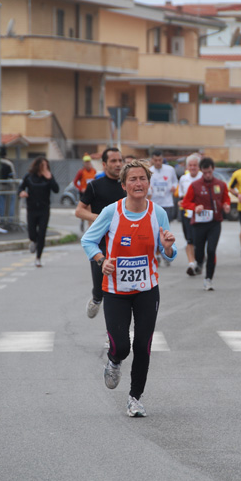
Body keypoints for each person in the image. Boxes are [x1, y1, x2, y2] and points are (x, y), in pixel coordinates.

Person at [81, 159, 177, 417]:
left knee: (143, 345)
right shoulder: (112, 212)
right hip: (115, 290)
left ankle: (135, 398)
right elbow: (88, 240)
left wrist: (167, 246)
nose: (138, 183)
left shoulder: (158, 213)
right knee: (122, 346)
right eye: (132, 179)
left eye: (142, 179)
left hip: (147, 289)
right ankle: (114, 361)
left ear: (149, 183)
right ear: (123, 185)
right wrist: (102, 261)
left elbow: (169, 252)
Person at [75, 147, 125, 318]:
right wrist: (98, 217)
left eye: (120, 160)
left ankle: (112, 334)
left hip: (124, 243)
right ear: (104, 164)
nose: (118, 164)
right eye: (113, 161)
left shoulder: (128, 186)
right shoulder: (95, 186)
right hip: (100, 245)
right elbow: (79, 211)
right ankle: (96, 298)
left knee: (118, 293)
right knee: (100, 288)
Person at [182, 156, 230, 291]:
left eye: (210, 172)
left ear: (213, 169)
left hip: (215, 223)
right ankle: (198, 262)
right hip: (199, 224)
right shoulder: (195, 185)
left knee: (211, 250)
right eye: (205, 172)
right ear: (201, 171)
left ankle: (208, 279)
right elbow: (185, 202)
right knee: (199, 251)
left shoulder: (220, 184)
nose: (208, 175)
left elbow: (225, 199)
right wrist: (194, 207)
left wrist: (226, 206)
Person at [18, 156, 59, 267]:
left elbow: (56, 189)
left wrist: (49, 178)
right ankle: (33, 241)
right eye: (43, 165)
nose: (45, 168)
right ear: (38, 166)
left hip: (44, 209)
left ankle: (38, 257)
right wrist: (22, 192)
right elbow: (20, 188)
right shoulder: (29, 177)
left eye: (46, 165)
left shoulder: (49, 177)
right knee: (32, 232)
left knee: (42, 233)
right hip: (31, 209)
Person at [178, 154, 202, 275]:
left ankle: (199, 260)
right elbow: (181, 195)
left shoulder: (203, 178)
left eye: (195, 165)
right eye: (190, 165)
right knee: (189, 239)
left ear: (199, 167)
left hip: (201, 215)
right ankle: (191, 263)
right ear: (187, 166)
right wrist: (181, 202)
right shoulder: (183, 178)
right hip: (187, 213)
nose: (192, 167)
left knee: (199, 241)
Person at [0, 146, 17, 230]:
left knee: (1, 202)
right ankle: (10, 220)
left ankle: (1, 220)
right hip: (9, 187)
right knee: (10, 203)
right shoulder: (9, 163)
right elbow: (13, 175)